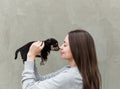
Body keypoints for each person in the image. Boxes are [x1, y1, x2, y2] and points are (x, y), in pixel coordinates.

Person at [22, 29, 101, 89]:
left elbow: (28, 87)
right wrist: (31, 57)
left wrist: (30, 56)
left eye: (65, 45)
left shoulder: (72, 76)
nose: (61, 47)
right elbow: (40, 80)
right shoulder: (72, 70)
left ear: (77, 49)